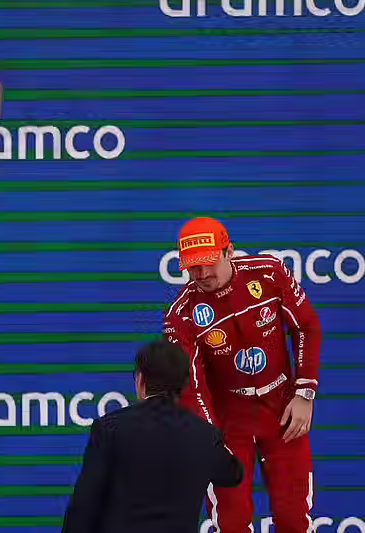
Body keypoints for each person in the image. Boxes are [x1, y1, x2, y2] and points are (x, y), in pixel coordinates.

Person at [163, 216, 321, 533]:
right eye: (193, 267)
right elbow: (191, 388)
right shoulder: (180, 314)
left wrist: (304, 393)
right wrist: (210, 439)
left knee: (293, 519)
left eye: (209, 263)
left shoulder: (269, 272)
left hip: (282, 408)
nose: (203, 274)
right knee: (231, 523)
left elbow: (305, 326)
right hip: (227, 420)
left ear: (228, 251)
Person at [61, 340, 243, 533]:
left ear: (140, 379)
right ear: (183, 384)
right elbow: (233, 474)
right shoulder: (205, 435)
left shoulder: (109, 429)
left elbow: (84, 506)